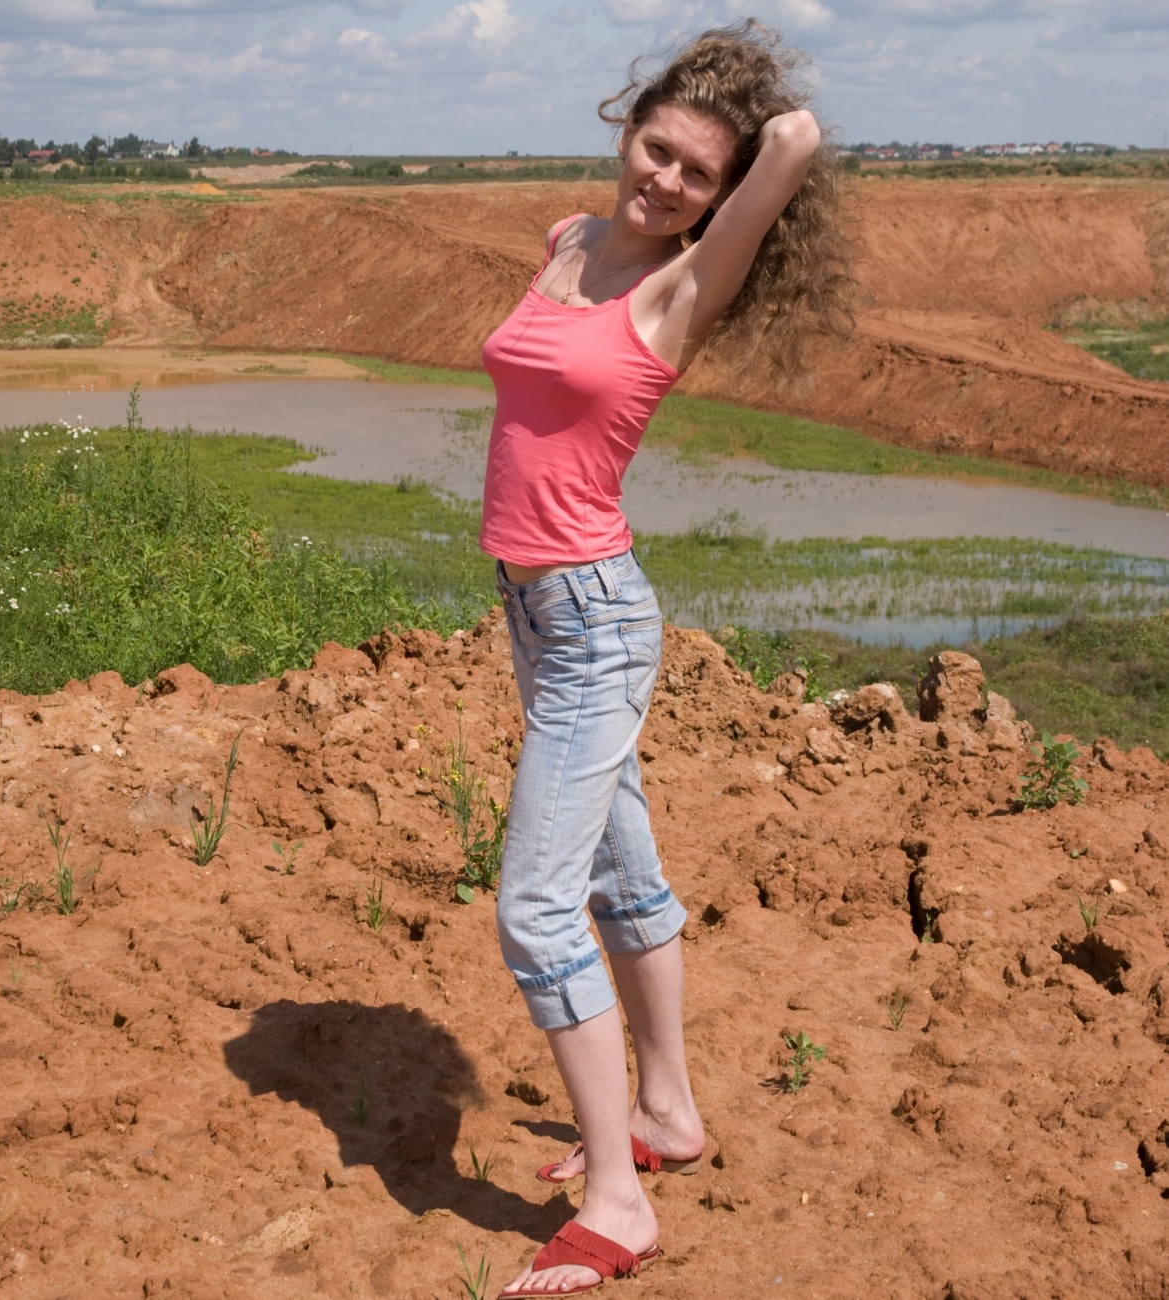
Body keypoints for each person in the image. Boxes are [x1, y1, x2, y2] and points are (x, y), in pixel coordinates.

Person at [479, 19, 853, 1298]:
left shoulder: (683, 287)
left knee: (535, 909)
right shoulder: (567, 242)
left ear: (723, 192)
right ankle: (668, 1113)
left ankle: (617, 1200)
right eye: (657, 149)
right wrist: (702, 104)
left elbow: (793, 139)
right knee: (617, 876)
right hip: (535, 609)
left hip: (593, 620)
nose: (667, 181)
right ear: (625, 126)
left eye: (698, 172)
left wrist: (747, 109)